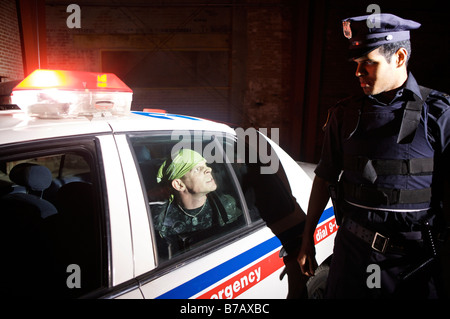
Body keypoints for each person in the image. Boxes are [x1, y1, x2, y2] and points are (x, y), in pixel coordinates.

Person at [297, 13, 450, 298]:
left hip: (412, 263)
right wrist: (308, 237)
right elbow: (325, 174)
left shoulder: (439, 114)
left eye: (369, 62)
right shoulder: (343, 114)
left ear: (400, 57)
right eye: (356, 64)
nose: (358, 72)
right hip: (352, 256)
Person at [151, 149, 242, 258]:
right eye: (198, 169)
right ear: (179, 184)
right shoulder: (160, 222)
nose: (209, 169)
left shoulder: (226, 205)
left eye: (205, 165)